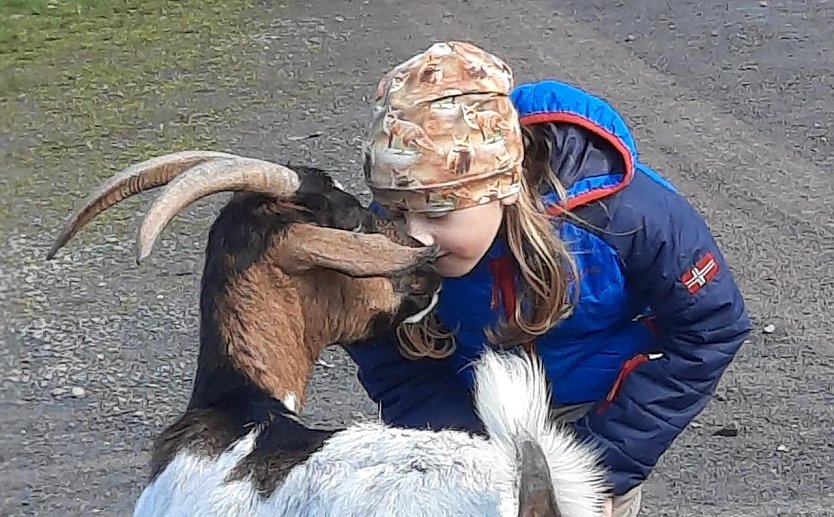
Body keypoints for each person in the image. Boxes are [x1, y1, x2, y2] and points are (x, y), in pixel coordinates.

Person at [343, 40, 751, 517]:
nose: (413, 238)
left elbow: (712, 325)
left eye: (438, 211)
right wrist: (468, 461)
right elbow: (390, 359)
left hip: (595, 420)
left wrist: (602, 463)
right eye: (396, 210)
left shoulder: (626, 214)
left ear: (502, 188)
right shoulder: (386, 242)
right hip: (467, 419)